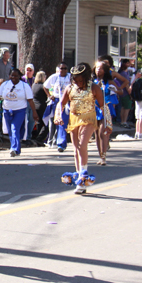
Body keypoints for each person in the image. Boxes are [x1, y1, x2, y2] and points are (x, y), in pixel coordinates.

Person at [55, 63, 103, 194]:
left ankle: (83, 173)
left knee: (82, 145)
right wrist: (58, 116)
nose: (77, 82)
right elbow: (62, 103)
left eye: (80, 80)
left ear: (86, 78)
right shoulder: (70, 88)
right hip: (73, 118)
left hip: (89, 118)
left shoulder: (94, 88)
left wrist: (107, 125)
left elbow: (104, 107)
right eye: (75, 80)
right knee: (76, 148)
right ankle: (79, 178)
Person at [0, 68, 33, 157]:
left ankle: (13, 148)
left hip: (20, 110)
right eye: (12, 75)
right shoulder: (5, 84)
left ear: (19, 76)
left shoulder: (24, 86)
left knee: (14, 128)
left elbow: (30, 100)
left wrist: (34, 113)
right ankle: (17, 149)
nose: (14, 77)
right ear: (9, 76)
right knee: (10, 131)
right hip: (7, 110)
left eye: (16, 75)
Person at [43, 63, 71, 151]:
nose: (62, 70)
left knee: (64, 121)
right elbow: (45, 86)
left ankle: (61, 143)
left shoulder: (70, 77)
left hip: (67, 101)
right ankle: (59, 143)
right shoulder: (54, 77)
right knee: (58, 121)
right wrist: (49, 95)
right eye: (61, 68)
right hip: (57, 100)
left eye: (64, 68)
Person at [93, 60, 116, 165]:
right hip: (95, 108)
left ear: (105, 70)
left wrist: (114, 90)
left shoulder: (109, 82)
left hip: (105, 108)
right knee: (97, 134)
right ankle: (100, 155)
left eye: (101, 68)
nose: (98, 70)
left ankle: (103, 157)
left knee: (102, 132)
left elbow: (120, 90)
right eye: (97, 68)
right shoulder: (92, 82)